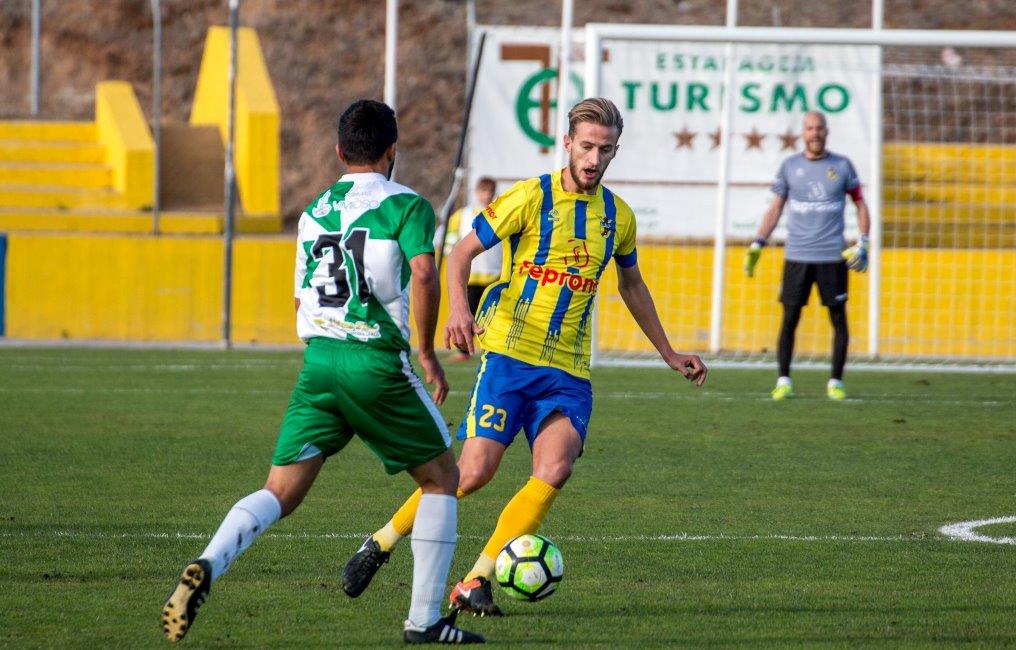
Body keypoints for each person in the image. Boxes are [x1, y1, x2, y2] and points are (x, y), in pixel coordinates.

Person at [341, 97, 708, 616]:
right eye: (586, 146)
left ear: (614, 152)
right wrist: (459, 311)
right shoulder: (531, 197)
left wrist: (669, 352)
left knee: (555, 468)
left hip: (568, 371)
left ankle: (476, 579)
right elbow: (460, 253)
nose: (594, 158)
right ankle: (380, 542)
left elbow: (631, 284)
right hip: (511, 356)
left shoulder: (617, 218)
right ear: (568, 143)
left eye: (605, 150)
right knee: (472, 474)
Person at [161, 100, 484, 645]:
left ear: (339, 152)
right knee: (442, 479)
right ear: (392, 152)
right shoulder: (406, 205)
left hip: (318, 364)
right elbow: (425, 273)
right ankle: (424, 622)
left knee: (280, 490)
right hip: (374, 363)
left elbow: (299, 299)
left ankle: (209, 564)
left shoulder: (314, 209)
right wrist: (426, 352)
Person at [743, 110, 871, 401]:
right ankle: (784, 380)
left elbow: (861, 204)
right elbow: (775, 208)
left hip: (832, 257)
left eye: (819, 128)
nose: (815, 133)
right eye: (810, 128)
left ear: (826, 131)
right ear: (804, 132)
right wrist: (757, 243)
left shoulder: (842, 165)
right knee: (789, 319)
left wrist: (863, 242)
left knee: (838, 319)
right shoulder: (790, 166)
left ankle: (836, 382)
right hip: (797, 257)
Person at [434, 177, 502, 361]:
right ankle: (464, 352)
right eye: (483, 191)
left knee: (496, 319)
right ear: (477, 192)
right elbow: (442, 236)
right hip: (470, 277)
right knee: (466, 315)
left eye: (490, 191)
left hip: (494, 276)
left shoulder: (502, 212)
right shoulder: (463, 215)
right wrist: (450, 253)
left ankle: (496, 352)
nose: (486, 195)